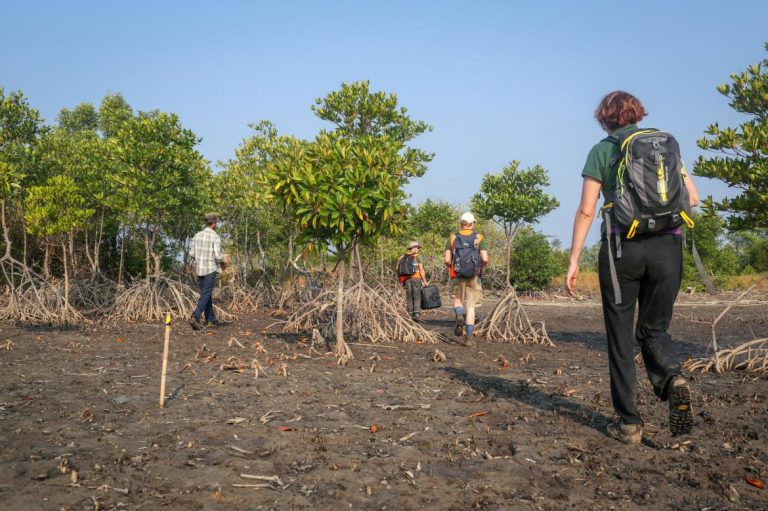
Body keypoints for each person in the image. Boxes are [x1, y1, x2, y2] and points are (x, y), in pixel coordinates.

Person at [565, 91, 699, 444]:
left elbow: (585, 211)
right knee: (655, 330)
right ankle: (672, 380)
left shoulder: (602, 150)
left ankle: (629, 423)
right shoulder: (665, 147)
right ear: (637, 115)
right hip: (668, 248)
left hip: (621, 249)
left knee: (621, 336)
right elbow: (693, 198)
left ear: (605, 118)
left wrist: (574, 258)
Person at [444, 212, 489, 345]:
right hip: (473, 276)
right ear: (471, 224)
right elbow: (485, 258)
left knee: (457, 300)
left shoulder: (452, 238)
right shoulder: (479, 238)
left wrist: (452, 266)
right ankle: (469, 338)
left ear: (461, 223)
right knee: (471, 307)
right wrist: (482, 266)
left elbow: (447, 259)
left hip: (456, 274)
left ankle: (459, 315)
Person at [188, 212, 224, 330]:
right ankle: (196, 316)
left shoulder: (197, 235)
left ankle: (211, 319)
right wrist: (226, 259)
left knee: (206, 294)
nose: (217, 224)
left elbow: (191, 254)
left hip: (199, 269)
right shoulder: (215, 236)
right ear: (213, 224)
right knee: (206, 294)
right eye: (216, 222)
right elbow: (218, 256)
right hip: (210, 269)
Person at [397, 241, 428, 321]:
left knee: (409, 297)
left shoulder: (402, 257)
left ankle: (410, 314)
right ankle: (416, 314)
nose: (418, 249)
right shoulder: (418, 257)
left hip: (406, 280)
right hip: (416, 278)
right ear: (413, 248)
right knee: (417, 296)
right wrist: (424, 281)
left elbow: (397, 269)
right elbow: (421, 269)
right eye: (417, 247)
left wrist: (400, 280)